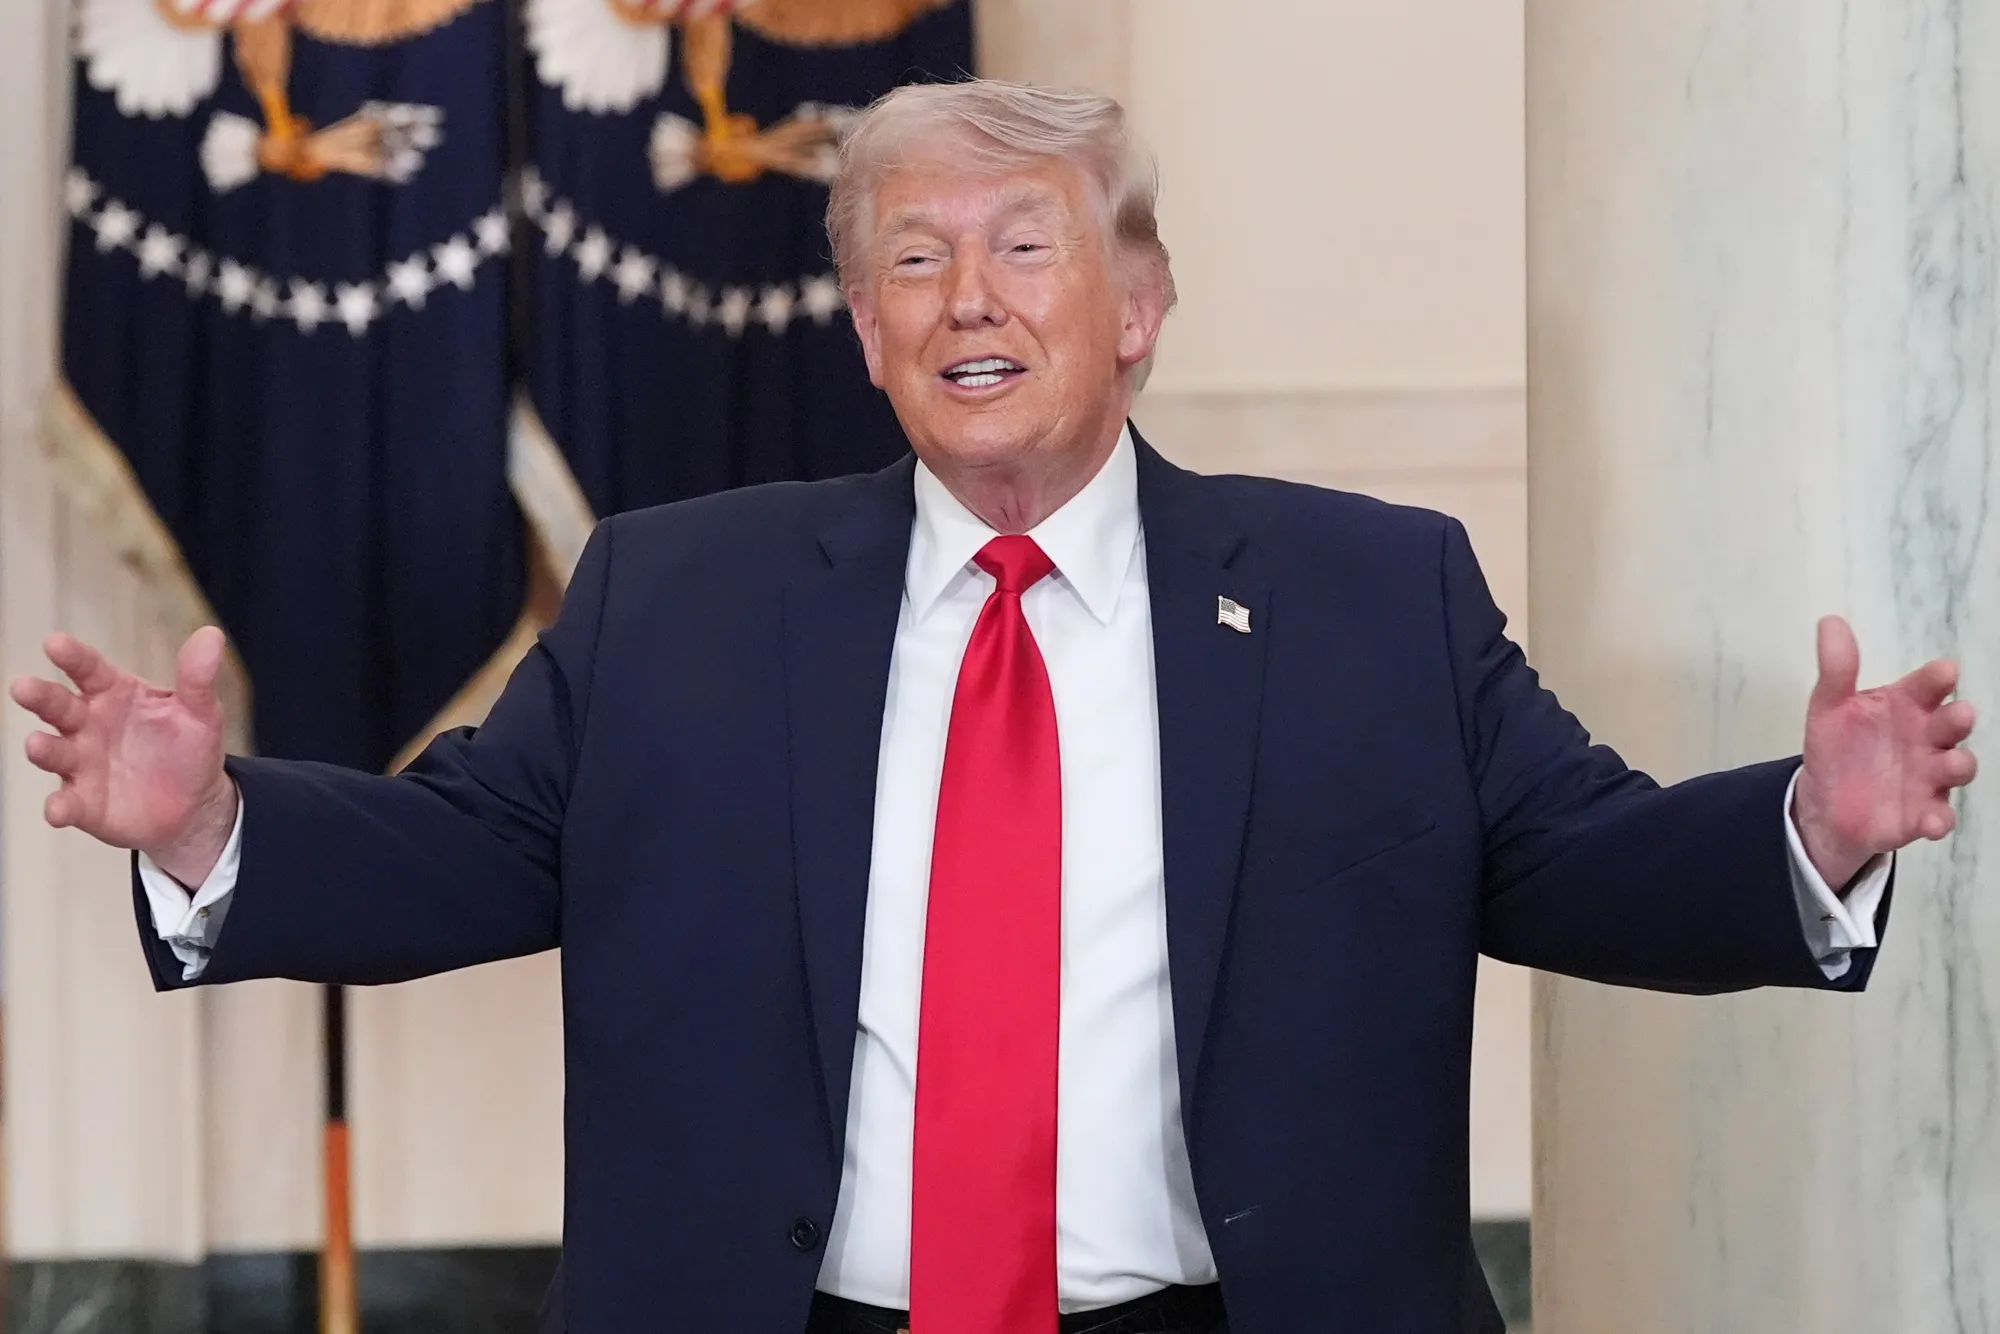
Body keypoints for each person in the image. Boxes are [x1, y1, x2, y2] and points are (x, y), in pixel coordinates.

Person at [8, 79, 1981, 1334]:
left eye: (1026, 247)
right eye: (916, 260)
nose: (971, 297)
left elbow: (1577, 859)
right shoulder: (676, 598)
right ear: (866, 332)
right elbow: (467, 846)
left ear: (1139, 308)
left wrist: (1806, 830)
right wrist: (213, 822)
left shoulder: (1370, 596)